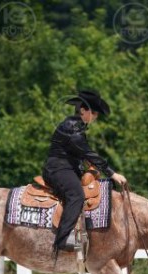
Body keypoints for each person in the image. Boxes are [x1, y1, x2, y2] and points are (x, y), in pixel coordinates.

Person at [42, 89, 127, 255]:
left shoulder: (75, 126)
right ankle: (62, 239)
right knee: (77, 195)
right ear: (83, 110)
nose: (95, 117)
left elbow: (80, 154)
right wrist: (112, 173)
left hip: (67, 167)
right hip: (58, 169)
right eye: (94, 113)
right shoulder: (72, 128)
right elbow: (88, 153)